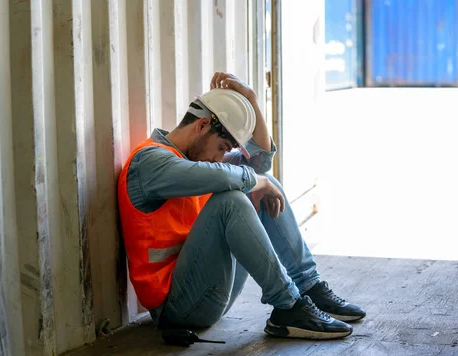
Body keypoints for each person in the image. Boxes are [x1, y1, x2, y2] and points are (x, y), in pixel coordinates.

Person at [118, 72, 366, 340]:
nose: (220, 157)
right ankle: (288, 306)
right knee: (233, 198)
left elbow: (259, 164)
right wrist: (256, 182)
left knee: (262, 183)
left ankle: (308, 286)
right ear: (202, 126)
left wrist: (252, 101)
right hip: (177, 306)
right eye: (222, 147)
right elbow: (227, 176)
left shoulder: (197, 158)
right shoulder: (150, 161)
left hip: (210, 288)